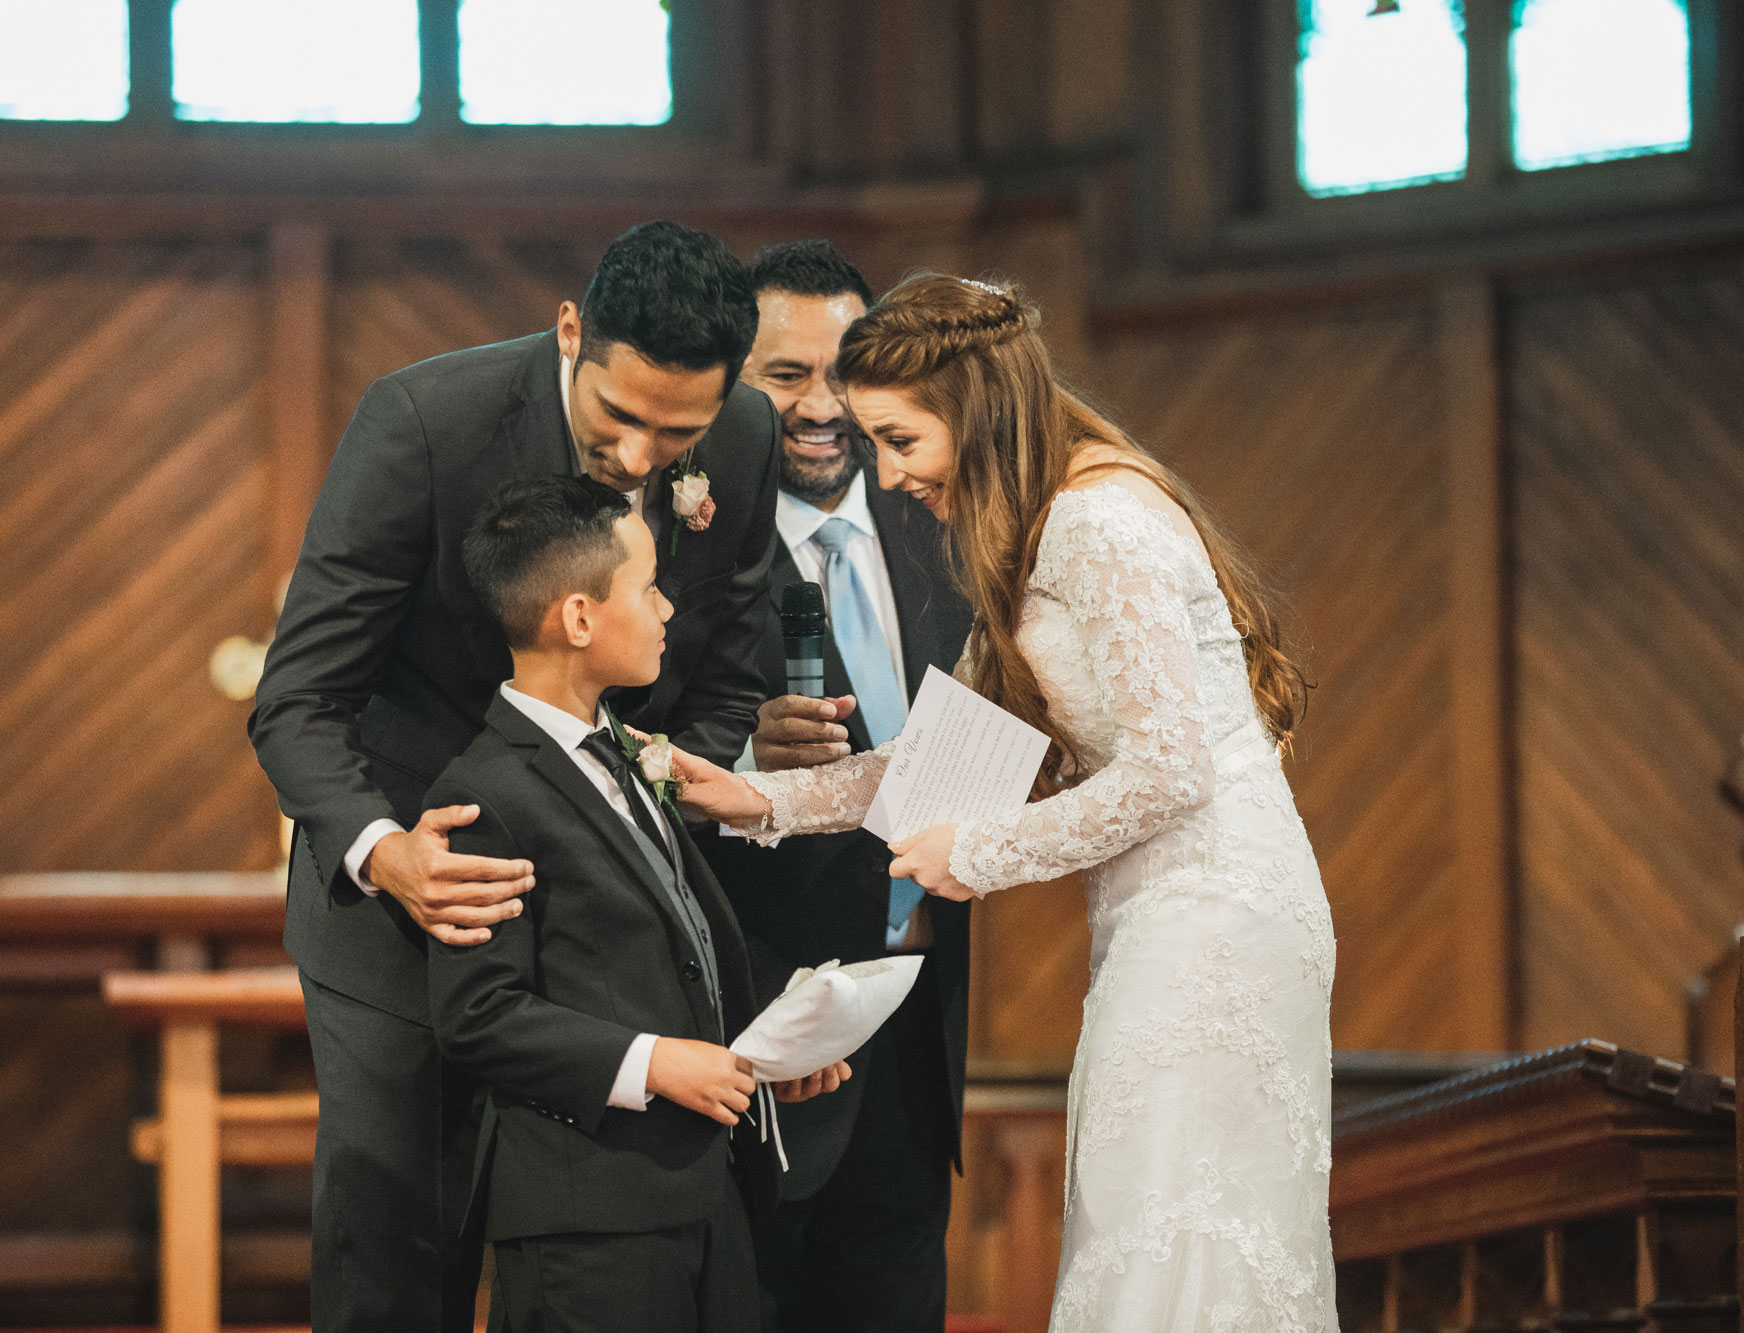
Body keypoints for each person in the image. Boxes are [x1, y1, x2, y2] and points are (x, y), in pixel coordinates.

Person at [675, 274, 1338, 1330]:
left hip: (1214, 915)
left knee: (1170, 1216)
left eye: (898, 439)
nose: (886, 475)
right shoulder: (1037, 528)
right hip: (1165, 910)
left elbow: (1172, 771)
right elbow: (947, 756)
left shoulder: (1094, 522)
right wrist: (752, 797)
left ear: (974, 410)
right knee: (1142, 1208)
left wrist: (975, 854)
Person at [248, 222, 782, 1333]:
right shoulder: (424, 423)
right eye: (618, 418)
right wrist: (384, 852)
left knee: (615, 1271)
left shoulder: (739, 437)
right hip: (410, 916)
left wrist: (652, 781)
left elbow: (730, 676)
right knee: (401, 1260)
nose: (641, 460)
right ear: (570, 331)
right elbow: (298, 698)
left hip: (616, 946)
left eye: (673, 433)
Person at [428, 475, 848, 1333]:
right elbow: (479, 1013)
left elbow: (669, 950)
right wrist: (657, 1063)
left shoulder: (630, 753)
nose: (666, 611)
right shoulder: (485, 792)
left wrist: (764, 1052)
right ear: (578, 618)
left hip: (701, 1191)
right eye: (650, 587)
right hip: (589, 1217)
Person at [699, 240, 973, 1332]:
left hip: (919, 1025)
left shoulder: (947, 528)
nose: (820, 407)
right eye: (783, 376)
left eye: (840, 374)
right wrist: (739, 754)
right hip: (764, 1029)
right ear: (732, 382)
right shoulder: (685, 552)